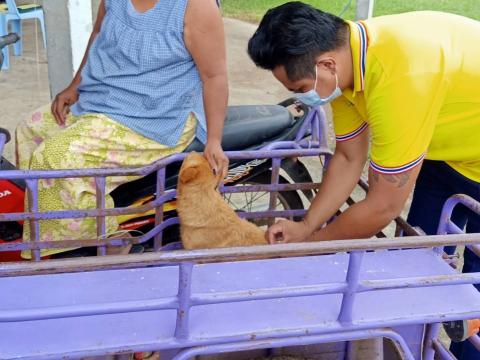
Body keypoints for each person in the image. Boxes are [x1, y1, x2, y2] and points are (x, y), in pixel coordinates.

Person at [247, 2, 480, 359]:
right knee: (415, 269)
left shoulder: (399, 75)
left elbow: (384, 205)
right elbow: (348, 156)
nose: (303, 96)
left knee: (472, 302)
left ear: (326, 64)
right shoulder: (346, 69)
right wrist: (306, 228)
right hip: (449, 152)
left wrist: (311, 251)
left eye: (301, 86)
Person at [16, 0, 228, 257]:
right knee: (29, 130)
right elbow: (99, 34)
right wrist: (75, 86)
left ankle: (85, 246)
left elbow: (214, 76)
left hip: (156, 116)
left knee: (55, 157)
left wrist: (214, 140)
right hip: (104, 99)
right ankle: (60, 220)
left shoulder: (195, 7)